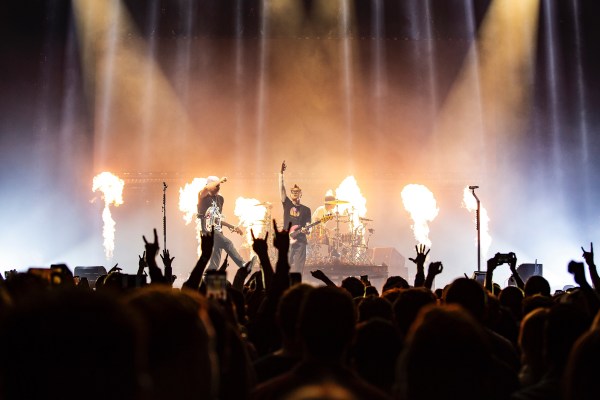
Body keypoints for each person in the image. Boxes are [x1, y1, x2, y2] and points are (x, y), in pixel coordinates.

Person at [197, 176, 254, 271]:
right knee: (228, 243)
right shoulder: (203, 197)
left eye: (219, 186)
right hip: (208, 231)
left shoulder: (220, 199)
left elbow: (217, 219)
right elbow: (206, 188)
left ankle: (207, 275)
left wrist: (231, 226)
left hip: (217, 231)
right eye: (216, 185)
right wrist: (219, 180)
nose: (218, 188)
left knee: (215, 261)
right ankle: (243, 265)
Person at [279, 161, 312, 274]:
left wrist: (307, 230)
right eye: (292, 192)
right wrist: (281, 174)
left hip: (300, 240)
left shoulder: (306, 209)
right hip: (288, 239)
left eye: (297, 192)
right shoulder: (287, 204)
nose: (294, 193)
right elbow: (282, 189)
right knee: (285, 266)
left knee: (298, 268)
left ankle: (296, 282)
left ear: (301, 194)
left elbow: (308, 224)